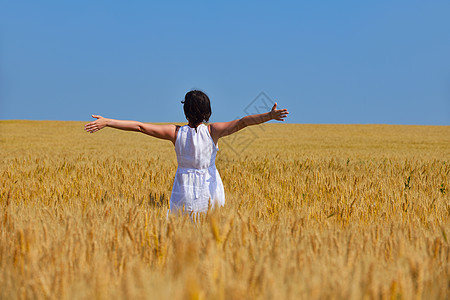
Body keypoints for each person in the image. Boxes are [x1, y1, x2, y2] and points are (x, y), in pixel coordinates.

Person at [84, 90, 289, 216]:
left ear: (186, 111)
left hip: (183, 189)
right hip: (210, 189)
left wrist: (108, 121)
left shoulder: (175, 132)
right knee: (211, 229)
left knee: (183, 227)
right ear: (208, 111)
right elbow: (243, 122)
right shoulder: (213, 131)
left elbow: (139, 126)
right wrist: (269, 116)